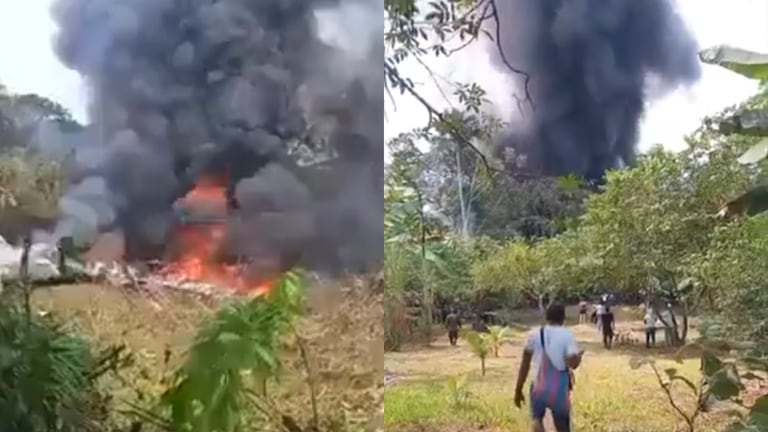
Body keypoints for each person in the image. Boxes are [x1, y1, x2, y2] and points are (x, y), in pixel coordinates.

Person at [514, 303, 583, 432]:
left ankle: (538, 425)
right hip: (559, 390)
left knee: (537, 419)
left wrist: (518, 389)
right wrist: (578, 357)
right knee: (562, 425)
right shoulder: (566, 334)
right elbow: (573, 364)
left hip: (538, 387)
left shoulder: (534, 334)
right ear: (563, 318)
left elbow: (525, 364)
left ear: (546, 317)